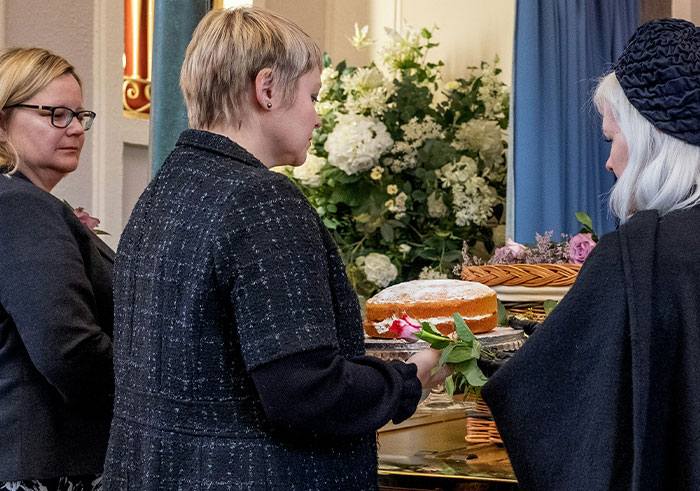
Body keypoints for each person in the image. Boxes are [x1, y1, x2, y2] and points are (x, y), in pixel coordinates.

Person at [102, 7, 445, 490]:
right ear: (267, 89)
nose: (318, 115)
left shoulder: (163, 190)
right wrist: (408, 378)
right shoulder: (261, 199)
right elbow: (305, 393)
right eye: (312, 95)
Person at [482, 18, 700, 491]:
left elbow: (550, 396)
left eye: (611, 138)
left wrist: (479, 353)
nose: (608, 161)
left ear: (650, 137)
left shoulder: (643, 254)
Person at [0, 48, 115, 490]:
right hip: (45, 467)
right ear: (3, 119)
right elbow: (67, 348)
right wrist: (149, 394)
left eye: (79, 116)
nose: (74, 130)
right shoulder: (21, 205)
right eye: (55, 114)